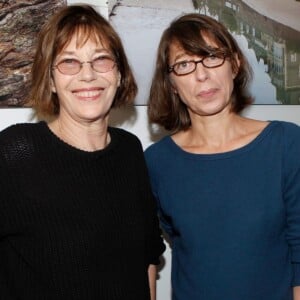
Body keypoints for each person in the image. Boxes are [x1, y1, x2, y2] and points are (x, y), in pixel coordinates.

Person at [0, 4, 165, 300]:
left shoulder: (130, 151)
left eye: (101, 60)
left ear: (118, 73)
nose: (87, 75)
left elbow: (147, 257)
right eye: (69, 62)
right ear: (50, 80)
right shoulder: (15, 153)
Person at [145, 13, 300, 300]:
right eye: (184, 65)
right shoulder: (156, 162)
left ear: (235, 64)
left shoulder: (286, 144)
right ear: (171, 84)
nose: (201, 74)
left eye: (213, 56)